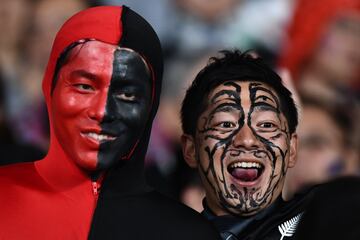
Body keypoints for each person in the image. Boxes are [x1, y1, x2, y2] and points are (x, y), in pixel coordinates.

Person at [0, 6, 220, 239]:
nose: (102, 110)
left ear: (151, 106)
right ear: (49, 87)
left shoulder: (186, 231)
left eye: (126, 95)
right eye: (85, 86)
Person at [181, 50, 311, 239]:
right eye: (225, 124)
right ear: (191, 149)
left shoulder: (325, 224)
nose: (247, 140)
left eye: (266, 125)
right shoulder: (164, 232)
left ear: (291, 148)